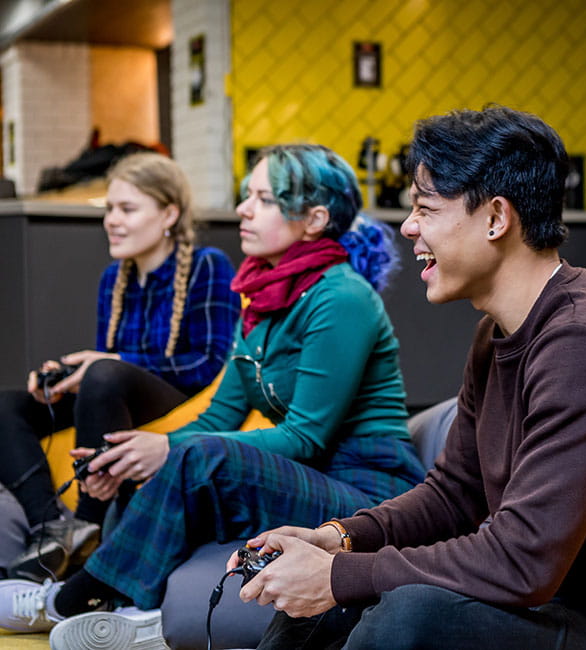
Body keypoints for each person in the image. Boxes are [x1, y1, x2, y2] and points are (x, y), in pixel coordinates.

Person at [228, 106, 586, 650]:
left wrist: (338, 578)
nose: (408, 226)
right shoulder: (497, 334)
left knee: (407, 615)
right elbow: (454, 497)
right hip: (554, 600)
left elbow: (521, 561)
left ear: (495, 218)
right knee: (329, 606)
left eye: (425, 208)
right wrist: (338, 540)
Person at [0, 144, 427, 646]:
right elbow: (219, 413)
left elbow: (306, 437)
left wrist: (171, 448)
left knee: (202, 457)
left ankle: (72, 598)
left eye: (263, 199)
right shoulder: (263, 302)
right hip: (320, 476)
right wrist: (133, 456)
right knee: (158, 460)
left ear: (314, 218)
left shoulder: (342, 296)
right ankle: (129, 607)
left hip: (371, 494)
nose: (244, 209)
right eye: (248, 196)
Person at [0, 152, 240, 582]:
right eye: (110, 208)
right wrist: (64, 381)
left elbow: (208, 364)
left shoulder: (208, 265)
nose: (112, 220)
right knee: (6, 405)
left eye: (127, 209)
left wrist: (109, 363)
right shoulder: (114, 278)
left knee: (104, 373)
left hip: (182, 401)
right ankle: (51, 528)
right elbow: (104, 379)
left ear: (169, 213)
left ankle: (88, 529)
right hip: (116, 396)